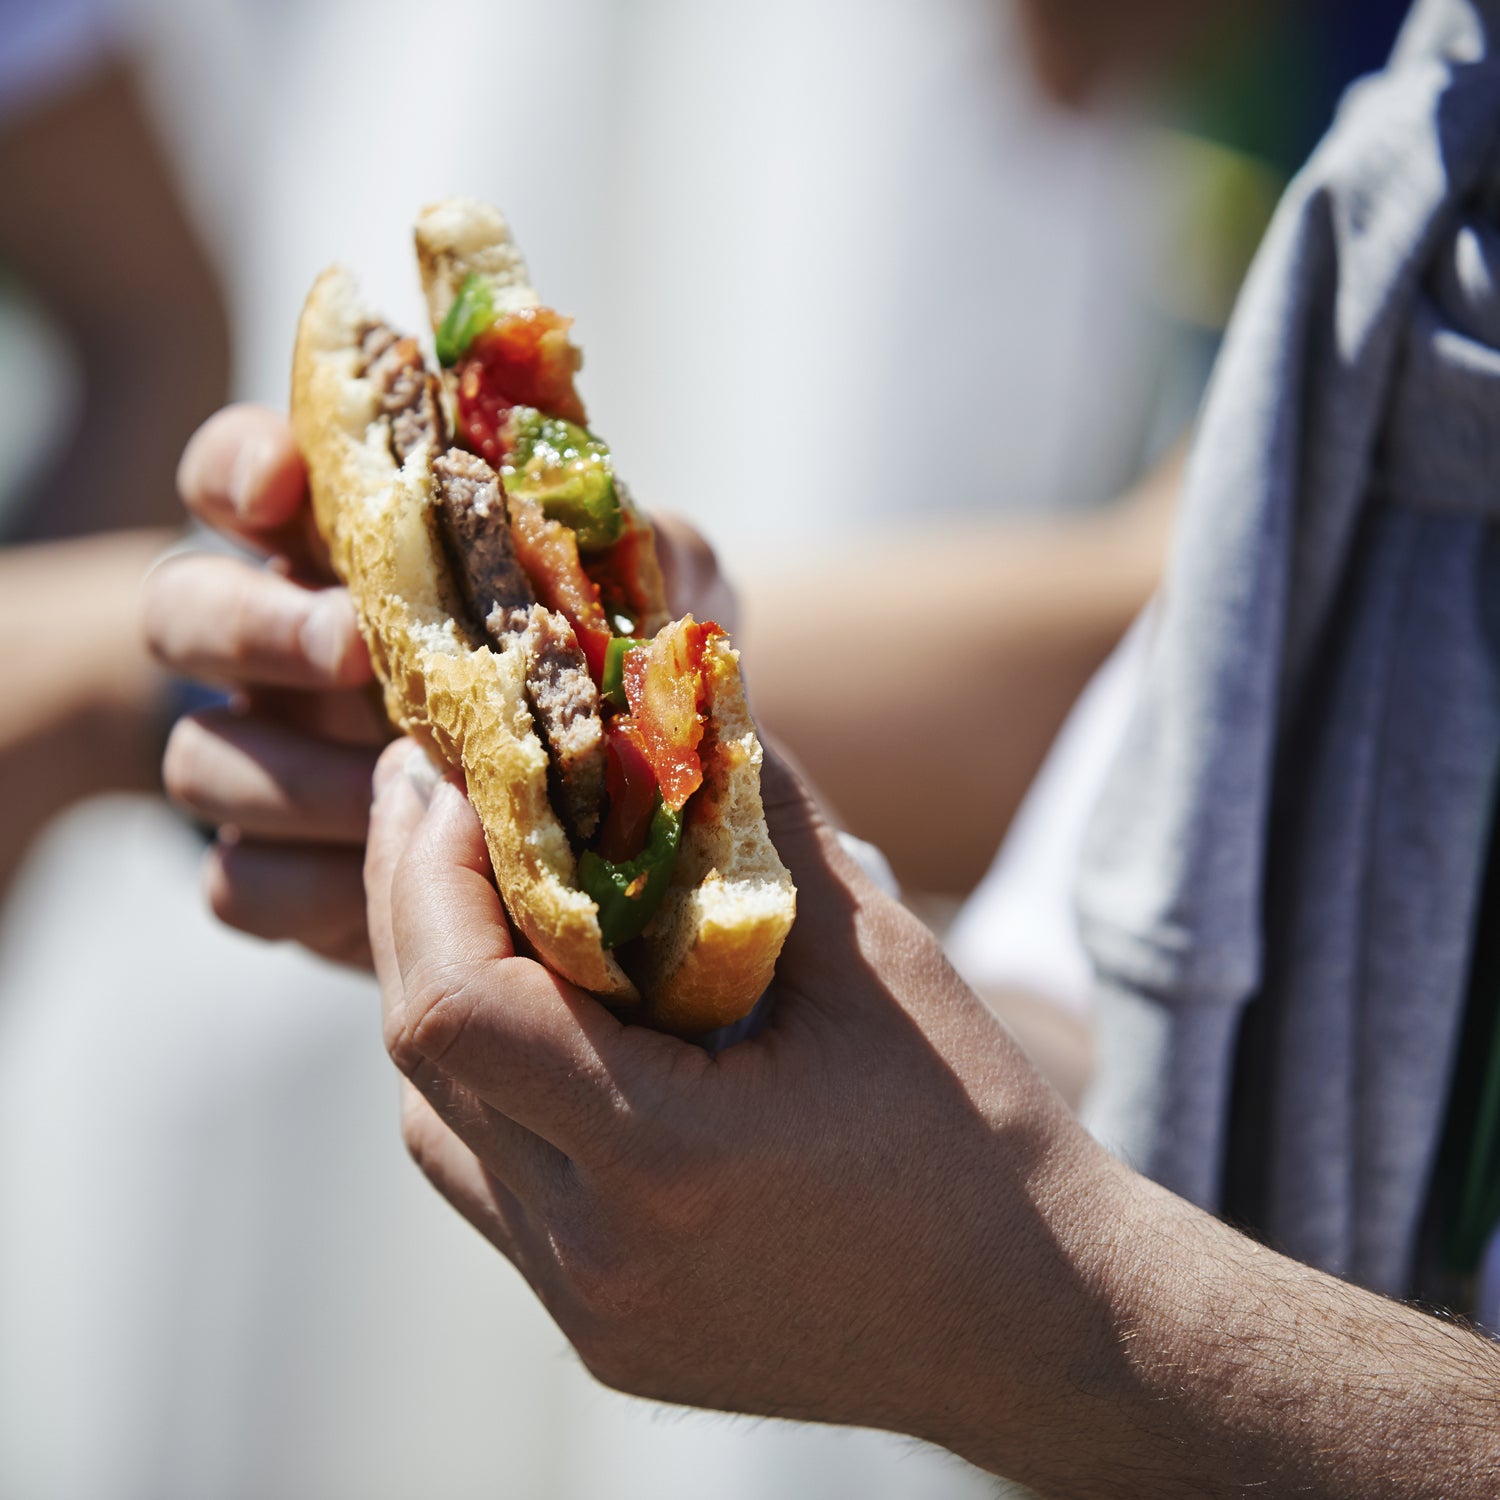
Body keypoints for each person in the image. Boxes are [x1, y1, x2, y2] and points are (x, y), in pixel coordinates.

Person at [144, 1, 1500, 1494]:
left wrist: (1038, 1317)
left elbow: (1090, 1231)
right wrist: (738, 1045)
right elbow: (1136, 1044)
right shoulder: (1421, 153)